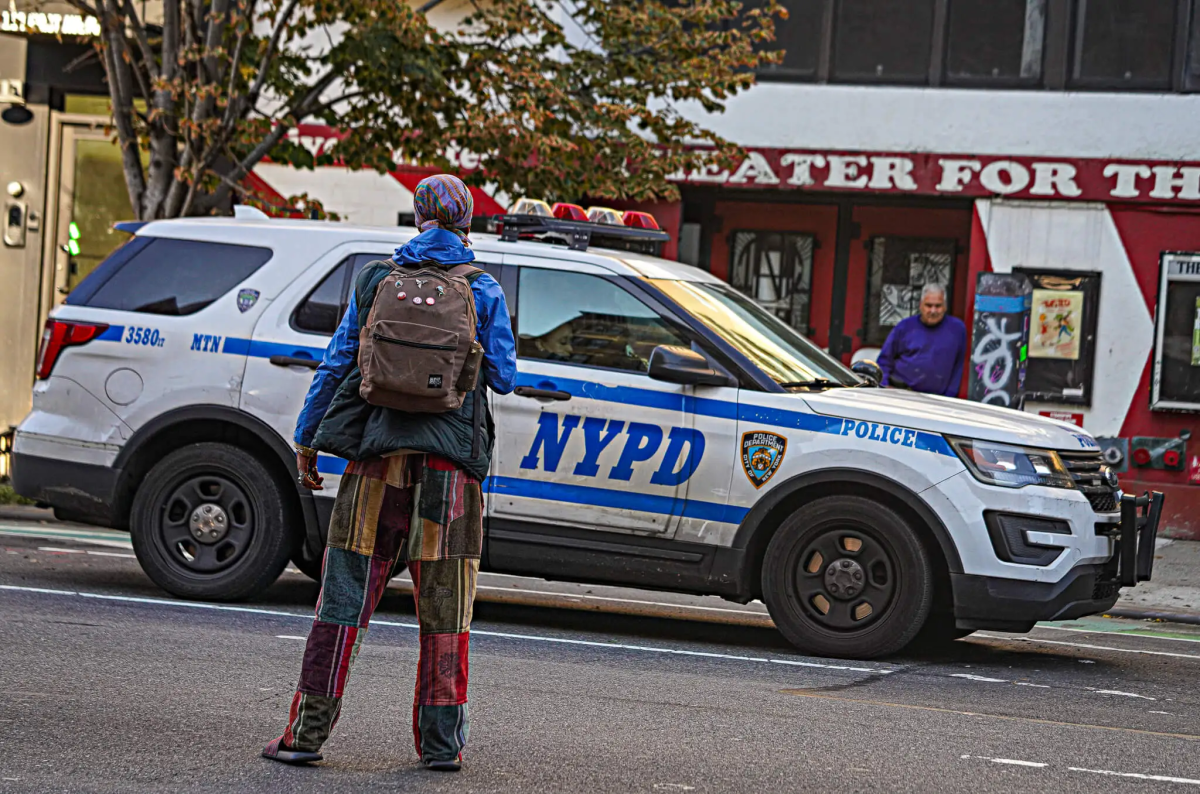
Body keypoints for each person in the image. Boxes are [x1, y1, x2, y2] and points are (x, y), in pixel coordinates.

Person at [262, 174, 517, 772]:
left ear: (419, 217)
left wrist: (307, 437)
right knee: (446, 613)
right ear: (467, 222)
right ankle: (440, 747)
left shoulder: (375, 280)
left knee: (343, 602)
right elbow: (503, 376)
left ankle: (305, 735)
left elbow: (336, 364)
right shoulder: (483, 289)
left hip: (375, 466)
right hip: (450, 474)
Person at [877, 283, 966, 398]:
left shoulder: (957, 330)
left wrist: (950, 396)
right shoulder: (904, 327)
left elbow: (959, 366)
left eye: (938, 306)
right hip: (901, 394)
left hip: (938, 398)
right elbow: (884, 361)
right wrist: (883, 388)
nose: (933, 311)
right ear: (920, 306)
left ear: (945, 307)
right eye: (928, 305)